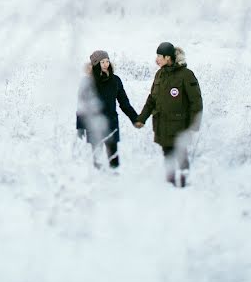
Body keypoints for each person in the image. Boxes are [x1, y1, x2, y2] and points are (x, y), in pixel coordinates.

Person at [134, 42, 203, 186]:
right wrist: (142, 118)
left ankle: (184, 185)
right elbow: (152, 99)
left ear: (168, 57)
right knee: (167, 155)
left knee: (181, 155)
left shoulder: (186, 75)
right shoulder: (160, 74)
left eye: (159, 56)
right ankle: (170, 184)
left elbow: (196, 102)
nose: (156, 59)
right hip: (162, 125)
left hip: (180, 126)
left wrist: (193, 125)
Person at [76, 50, 139, 168]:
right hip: (94, 124)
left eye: (107, 61)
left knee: (113, 158)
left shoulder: (115, 80)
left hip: (111, 122)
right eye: (102, 62)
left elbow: (124, 102)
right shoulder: (88, 82)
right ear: (95, 64)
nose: (106, 64)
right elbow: (82, 106)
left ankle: (115, 181)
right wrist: (80, 127)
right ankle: (98, 181)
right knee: (97, 159)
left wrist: (135, 118)